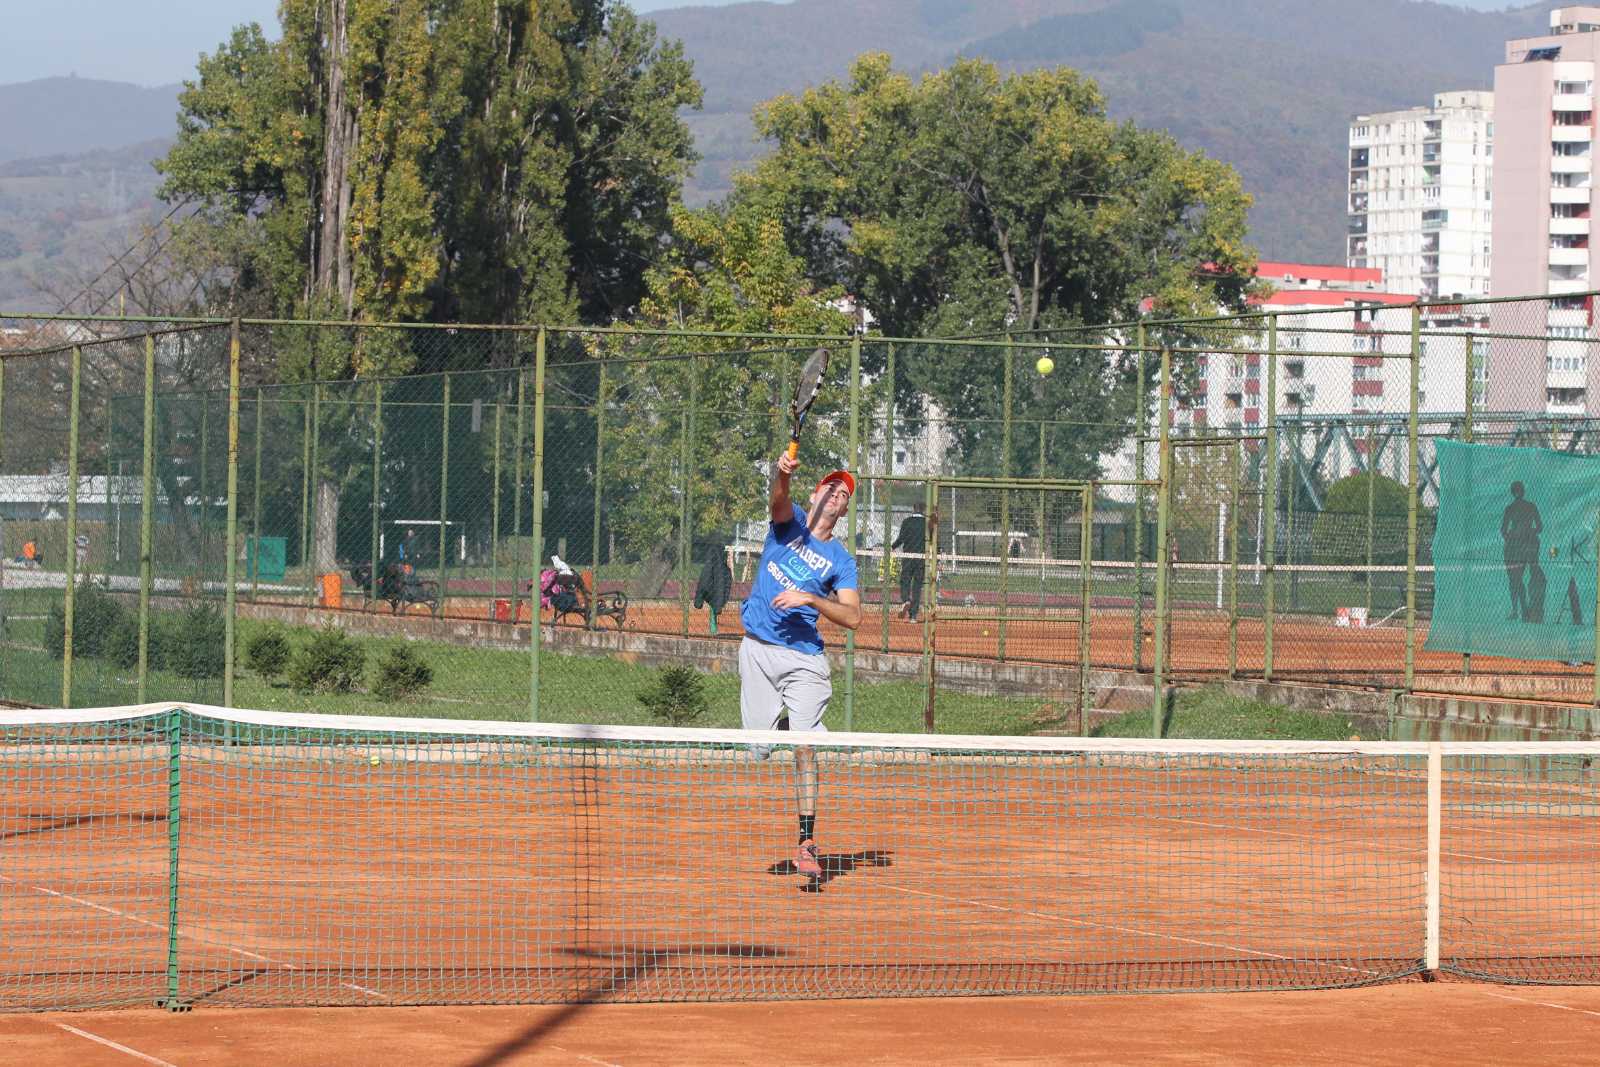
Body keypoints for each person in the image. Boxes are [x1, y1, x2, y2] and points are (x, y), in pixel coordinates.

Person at [739, 452, 862, 880]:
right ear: (814, 494)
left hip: (804, 658)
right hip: (757, 650)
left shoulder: (841, 560)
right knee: (759, 749)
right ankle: (788, 728)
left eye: (843, 495)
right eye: (831, 487)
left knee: (806, 747)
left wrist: (810, 597)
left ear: (843, 511)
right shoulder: (787, 523)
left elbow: (853, 617)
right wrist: (781, 474)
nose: (836, 495)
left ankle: (807, 841)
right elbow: (777, 499)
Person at [1501, 482, 1543, 622]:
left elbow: (1503, 531)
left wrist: (1514, 537)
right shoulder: (1530, 506)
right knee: (1519, 579)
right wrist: (1528, 532)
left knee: (1516, 579)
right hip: (1526, 546)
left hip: (1518, 547)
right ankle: (1523, 610)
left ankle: (1521, 610)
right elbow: (1539, 527)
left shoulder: (1511, 508)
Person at [891, 508, 926, 620]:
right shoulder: (926, 523)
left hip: (908, 557)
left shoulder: (907, 521)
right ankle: (913, 615)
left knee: (905, 580)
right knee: (917, 586)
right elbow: (934, 540)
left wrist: (892, 547)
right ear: (924, 510)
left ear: (913, 510)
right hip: (921, 558)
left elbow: (901, 538)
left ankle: (906, 599)